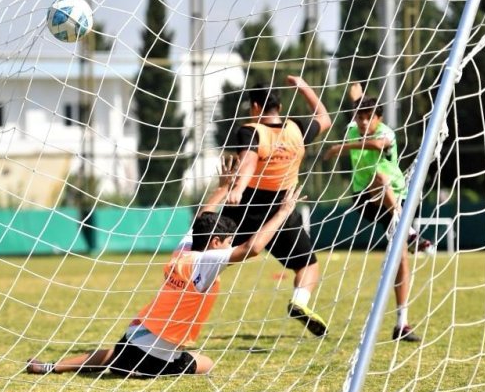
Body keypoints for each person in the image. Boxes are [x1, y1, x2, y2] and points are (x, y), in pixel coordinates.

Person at [25, 157, 303, 377]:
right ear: (216, 241)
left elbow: (201, 218)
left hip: (129, 340)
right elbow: (251, 248)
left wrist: (221, 190)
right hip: (153, 359)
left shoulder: (184, 250)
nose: (230, 245)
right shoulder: (207, 261)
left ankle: (52, 366)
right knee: (207, 363)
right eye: (227, 241)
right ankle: (140, 370)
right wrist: (282, 212)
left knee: (115, 354)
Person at [224, 76, 331, 337]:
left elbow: (248, 161)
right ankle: (299, 302)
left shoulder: (250, 130)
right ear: (280, 108)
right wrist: (304, 87)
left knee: (212, 257)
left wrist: (237, 189)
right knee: (308, 265)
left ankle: (182, 294)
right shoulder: (297, 129)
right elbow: (325, 118)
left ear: (256, 108)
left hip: (248, 205)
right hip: (281, 208)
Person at [323, 82, 427, 342]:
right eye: (360, 117)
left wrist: (340, 148)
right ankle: (410, 231)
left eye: (369, 118)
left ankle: (402, 323)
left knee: (401, 258)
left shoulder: (386, 134)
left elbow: (378, 145)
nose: (363, 122)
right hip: (365, 199)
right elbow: (358, 105)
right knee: (378, 177)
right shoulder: (353, 128)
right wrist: (356, 96)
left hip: (396, 199)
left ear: (379, 119)